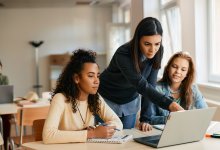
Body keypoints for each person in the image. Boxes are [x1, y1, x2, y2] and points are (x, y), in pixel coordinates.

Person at [98, 17, 183, 131]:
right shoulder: (123, 53)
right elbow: (140, 84)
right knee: (104, 142)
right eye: (147, 44)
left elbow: (150, 84)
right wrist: (170, 104)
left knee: (126, 141)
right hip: (106, 98)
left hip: (129, 101)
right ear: (138, 40)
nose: (153, 49)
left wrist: (145, 118)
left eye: (157, 43)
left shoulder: (159, 51)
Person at [43, 49, 123, 144]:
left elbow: (118, 123)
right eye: (90, 76)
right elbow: (48, 135)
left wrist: (97, 129)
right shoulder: (60, 98)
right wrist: (91, 133)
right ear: (76, 78)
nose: (96, 81)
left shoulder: (95, 97)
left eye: (97, 76)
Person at [141, 51, 207, 126]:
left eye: (183, 69)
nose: (178, 71)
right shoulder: (155, 89)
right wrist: (169, 119)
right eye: (174, 67)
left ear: (187, 74)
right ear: (168, 68)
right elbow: (149, 119)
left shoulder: (193, 88)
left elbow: (205, 113)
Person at [0, 59, 12, 150]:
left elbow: (6, 93)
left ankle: (6, 142)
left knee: (6, 119)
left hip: (3, 106)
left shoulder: (4, 78)